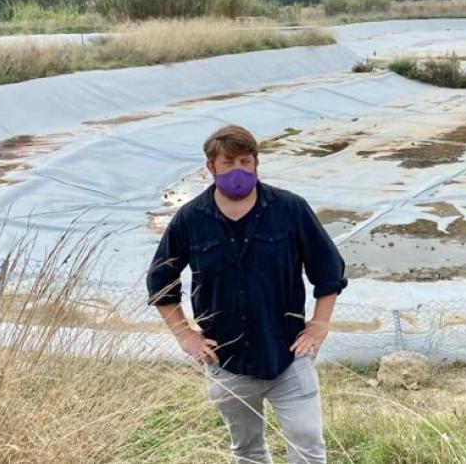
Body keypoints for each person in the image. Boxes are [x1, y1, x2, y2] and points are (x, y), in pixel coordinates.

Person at [147, 124, 347, 464]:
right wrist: (184, 335)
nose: (238, 171)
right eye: (228, 163)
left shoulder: (290, 210)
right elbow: (160, 281)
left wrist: (319, 325)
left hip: (288, 357)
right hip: (227, 363)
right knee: (248, 451)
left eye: (245, 161)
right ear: (211, 167)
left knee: (308, 448)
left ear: (256, 163)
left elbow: (329, 271)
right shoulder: (190, 219)